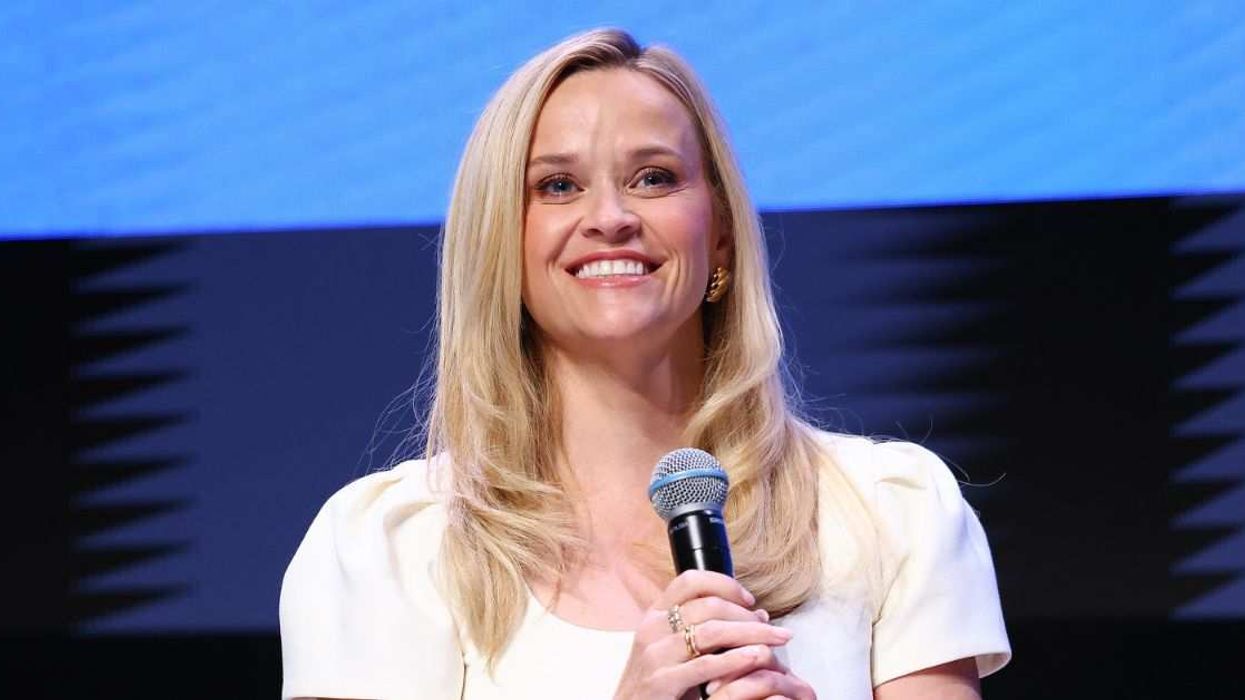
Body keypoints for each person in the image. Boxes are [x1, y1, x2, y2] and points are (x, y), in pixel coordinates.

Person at [279, 27, 1011, 700]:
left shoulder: (888, 512)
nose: (610, 216)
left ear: (720, 236)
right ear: (499, 245)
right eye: (557, 186)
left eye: (653, 178)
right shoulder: (392, 547)